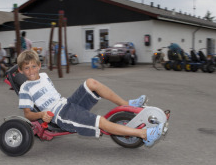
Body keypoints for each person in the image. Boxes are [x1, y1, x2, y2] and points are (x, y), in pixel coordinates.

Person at [17, 50, 167, 147]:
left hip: (67, 103)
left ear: (39, 65)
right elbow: (28, 114)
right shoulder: (25, 88)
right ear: (20, 70)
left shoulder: (44, 76)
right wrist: (41, 115)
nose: (31, 71)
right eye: (26, 68)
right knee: (101, 121)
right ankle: (145, 135)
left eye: (33, 66)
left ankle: (127, 104)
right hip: (60, 115)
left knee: (91, 82)